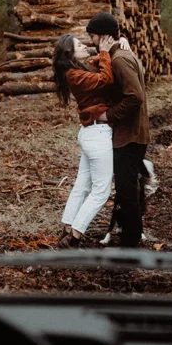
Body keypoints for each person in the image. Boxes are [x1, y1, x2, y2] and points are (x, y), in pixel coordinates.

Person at [85, 12, 151, 248]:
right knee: (127, 187)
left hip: (130, 136)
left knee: (125, 191)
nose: (91, 42)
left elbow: (135, 97)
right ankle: (133, 235)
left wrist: (108, 115)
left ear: (103, 36)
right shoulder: (121, 54)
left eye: (92, 36)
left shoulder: (120, 59)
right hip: (131, 133)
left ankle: (131, 243)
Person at [52, 32, 119, 249]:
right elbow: (105, 79)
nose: (84, 45)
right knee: (101, 191)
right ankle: (74, 237)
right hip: (98, 136)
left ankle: (68, 226)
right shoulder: (74, 75)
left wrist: (116, 46)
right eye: (79, 44)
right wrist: (105, 52)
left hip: (91, 134)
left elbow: (96, 63)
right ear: (70, 53)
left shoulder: (77, 70)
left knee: (82, 185)